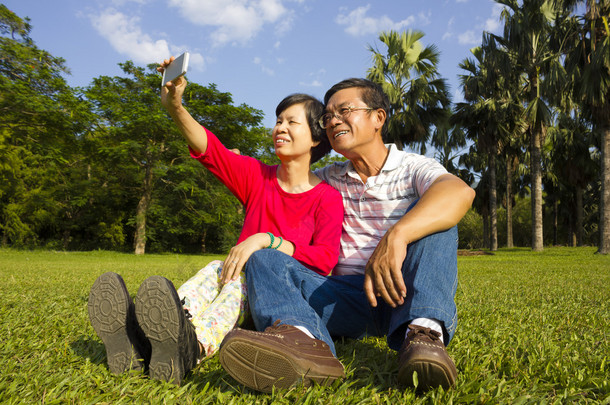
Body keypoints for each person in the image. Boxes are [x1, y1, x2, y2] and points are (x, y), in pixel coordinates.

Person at [86, 57, 344, 385]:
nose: (279, 128)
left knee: (240, 283)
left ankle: (190, 347)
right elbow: (212, 150)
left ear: (316, 139)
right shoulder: (257, 177)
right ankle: (145, 337)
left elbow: (324, 260)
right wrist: (175, 106)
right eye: (278, 121)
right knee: (215, 269)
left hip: (276, 294)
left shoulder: (327, 198)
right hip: (231, 274)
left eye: (291, 122)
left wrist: (267, 240)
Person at [218, 78, 476, 393]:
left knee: (439, 222)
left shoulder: (412, 167)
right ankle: (303, 340)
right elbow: (284, 182)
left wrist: (397, 235)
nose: (333, 121)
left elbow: (458, 192)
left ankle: (423, 336)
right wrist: (237, 162)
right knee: (266, 256)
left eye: (345, 111)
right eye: (328, 117)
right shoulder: (326, 180)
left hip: (405, 289)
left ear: (378, 118)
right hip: (345, 297)